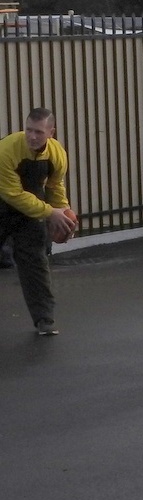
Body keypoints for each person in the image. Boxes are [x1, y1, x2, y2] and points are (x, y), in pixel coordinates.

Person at [0, 108, 75, 335]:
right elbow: (12, 194)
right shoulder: (6, 149)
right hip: (4, 200)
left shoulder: (57, 154)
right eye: (29, 130)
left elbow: (55, 186)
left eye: (39, 132)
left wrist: (63, 213)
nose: (32, 136)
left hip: (31, 208)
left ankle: (45, 320)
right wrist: (49, 212)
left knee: (34, 261)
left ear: (51, 132)